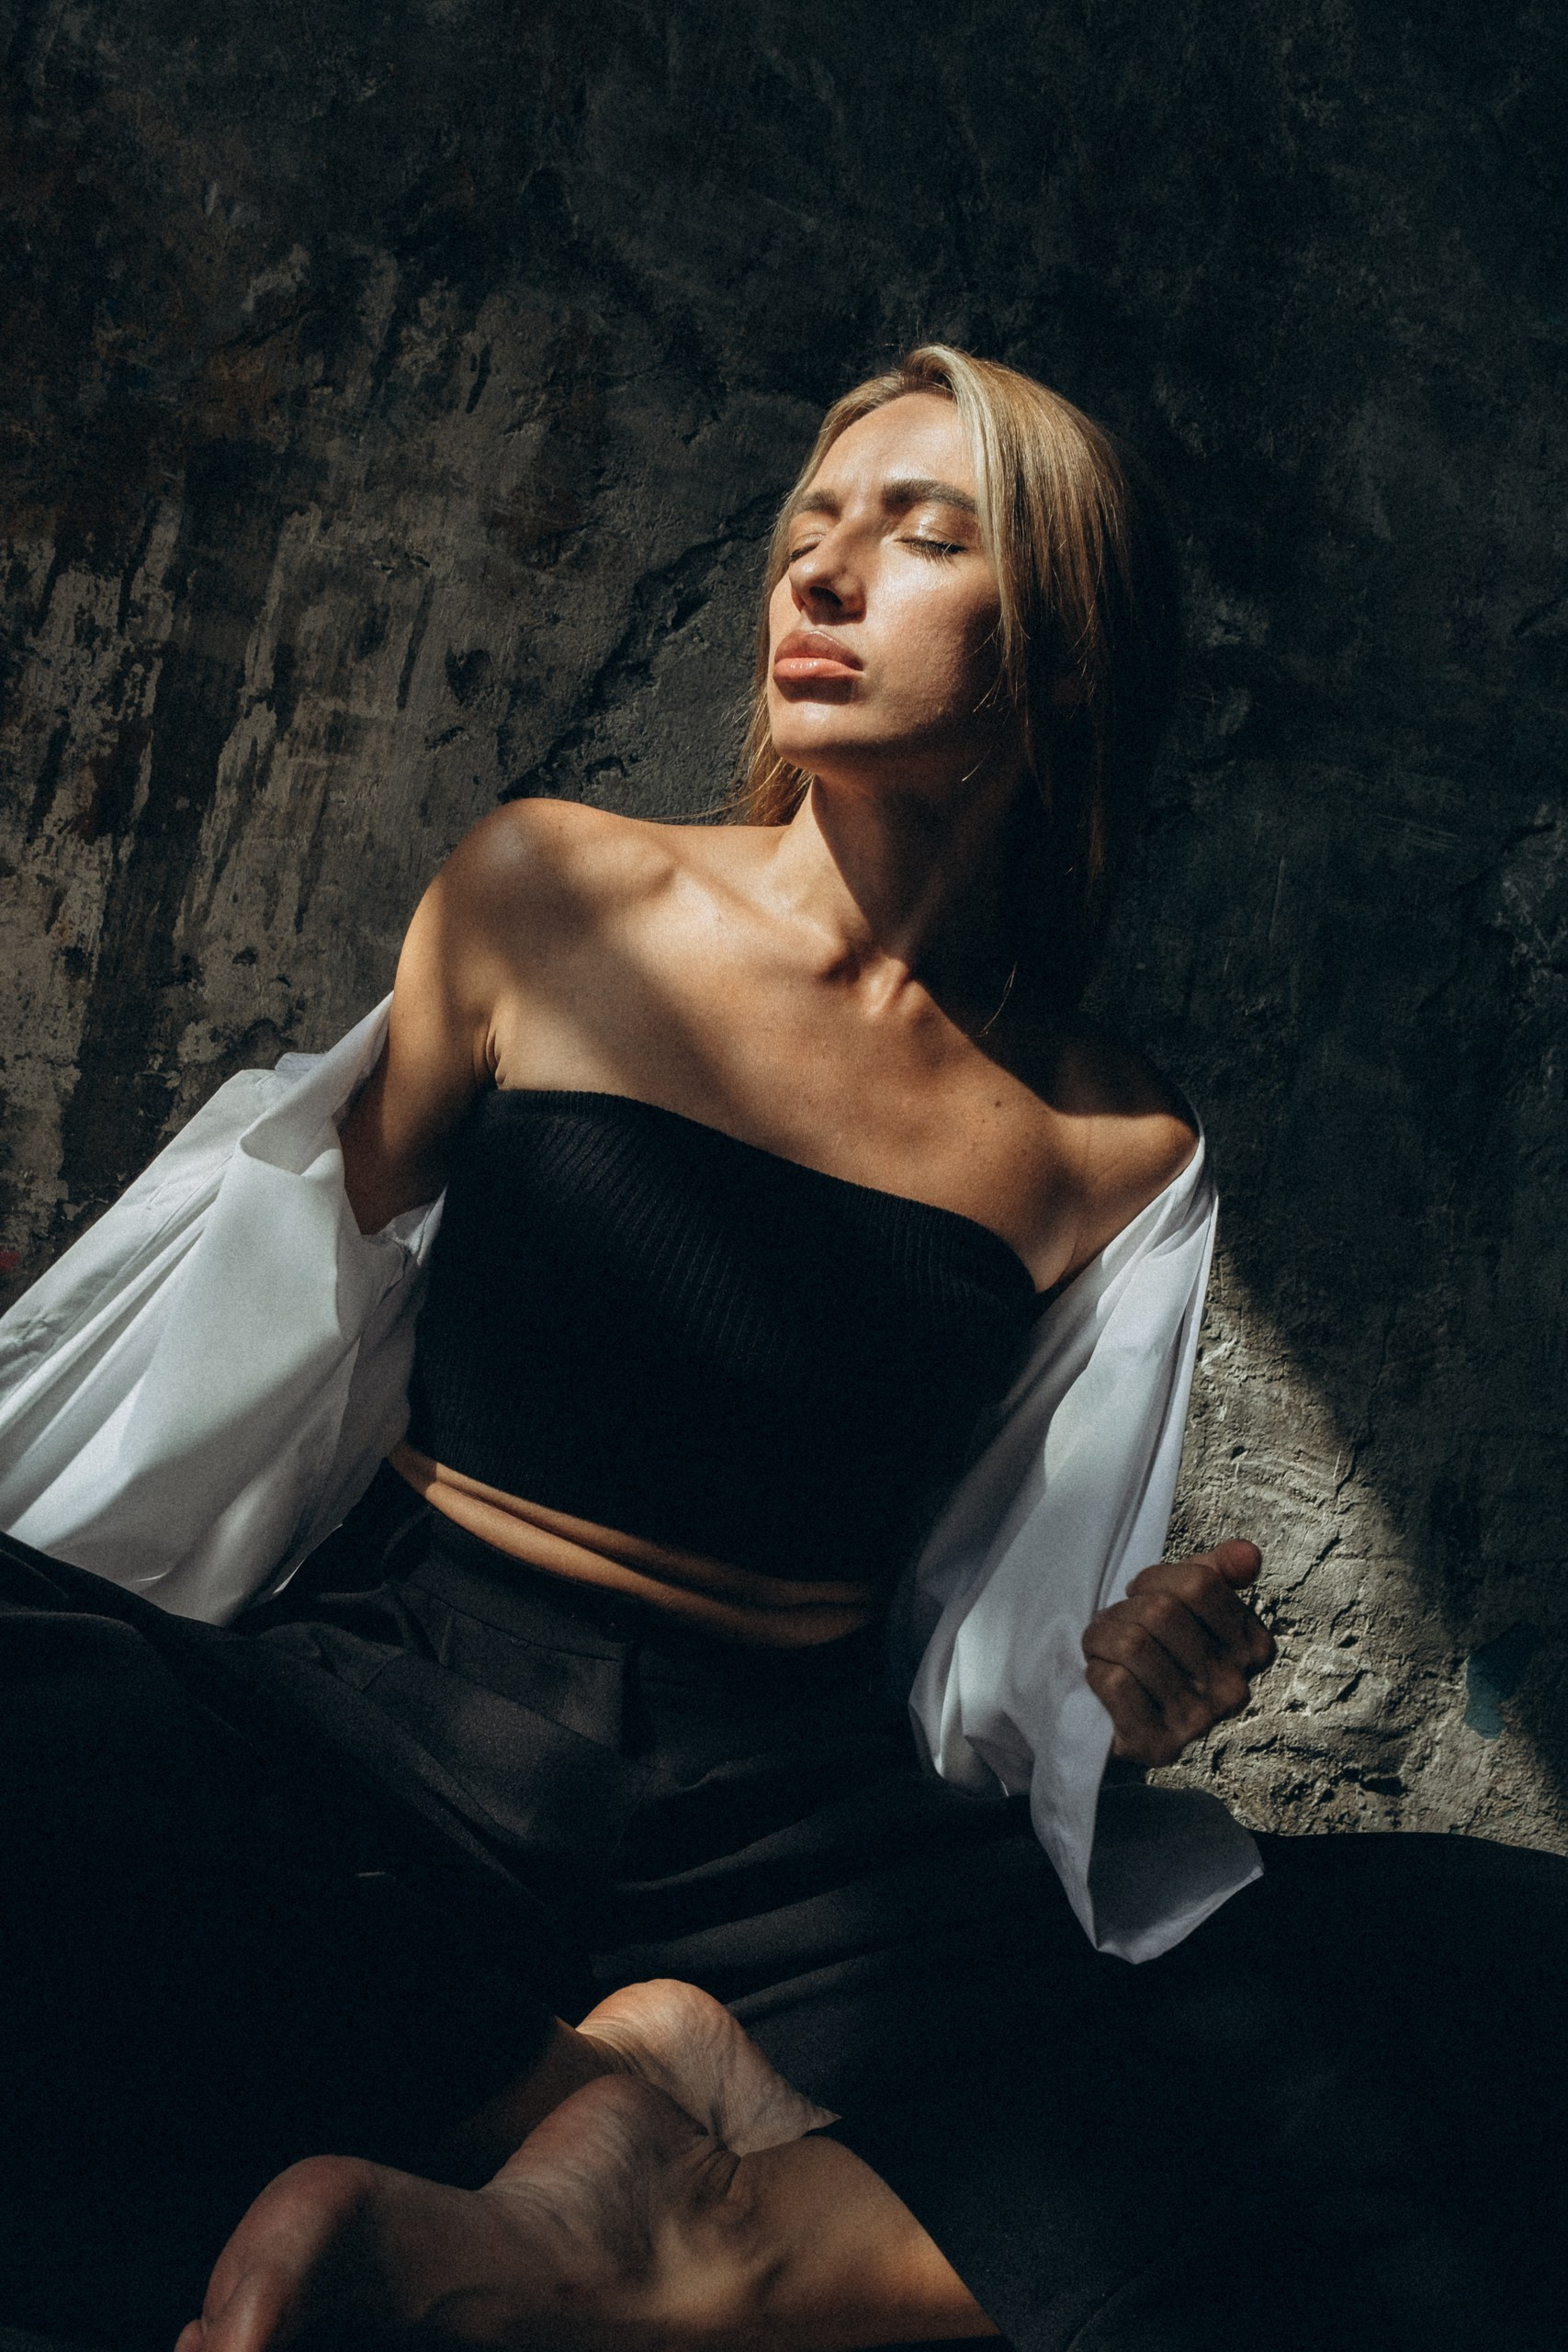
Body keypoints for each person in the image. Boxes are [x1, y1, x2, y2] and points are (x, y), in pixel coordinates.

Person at [0, 349, 1562, 2352]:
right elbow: (288, 1304)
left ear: (1062, 651)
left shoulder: (1113, 1139)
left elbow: (997, 1626)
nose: (820, 577)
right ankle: (588, 2097)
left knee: (1483, 1964)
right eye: (808, 530)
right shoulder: (547, 887)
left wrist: (1119, 1688)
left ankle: (687, 2240)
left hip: (793, 1850)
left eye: (923, 534)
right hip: (400, 1715)